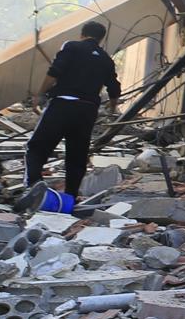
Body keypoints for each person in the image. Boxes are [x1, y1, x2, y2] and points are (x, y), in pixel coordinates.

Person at [21, 20, 120, 208]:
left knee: (36, 148)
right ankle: (69, 200)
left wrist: (40, 95)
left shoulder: (71, 46)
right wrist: (112, 109)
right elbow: (115, 88)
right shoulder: (106, 59)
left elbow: (54, 72)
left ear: (82, 34)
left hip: (62, 105)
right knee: (76, 156)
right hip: (87, 111)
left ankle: (33, 186)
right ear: (101, 39)